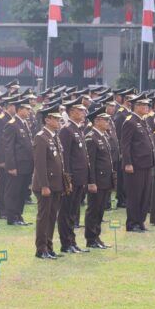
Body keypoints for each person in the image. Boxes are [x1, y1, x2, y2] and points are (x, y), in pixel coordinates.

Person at [32, 104, 65, 260]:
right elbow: (40, 164)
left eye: (59, 118)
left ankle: (49, 246)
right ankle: (41, 248)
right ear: (47, 120)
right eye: (56, 118)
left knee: (52, 217)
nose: (59, 120)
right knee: (44, 217)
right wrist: (44, 185)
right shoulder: (41, 137)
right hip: (45, 185)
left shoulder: (54, 136)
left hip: (56, 184)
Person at [120, 94, 155, 231]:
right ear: (136, 106)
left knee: (144, 195)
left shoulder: (142, 120)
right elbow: (125, 144)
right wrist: (128, 163)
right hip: (135, 165)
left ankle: (140, 222)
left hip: (146, 164)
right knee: (135, 195)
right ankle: (133, 223)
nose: (146, 107)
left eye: (147, 105)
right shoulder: (130, 121)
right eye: (143, 105)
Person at [58, 100, 90, 253]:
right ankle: (66, 243)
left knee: (74, 212)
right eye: (80, 111)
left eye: (84, 111)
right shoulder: (67, 130)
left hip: (80, 178)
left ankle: (72, 241)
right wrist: (67, 179)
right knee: (66, 212)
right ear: (71, 112)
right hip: (72, 179)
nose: (83, 113)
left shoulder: (78, 129)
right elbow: (65, 158)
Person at [1, 99, 34, 226]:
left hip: (26, 166)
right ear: (19, 110)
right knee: (13, 192)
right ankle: (12, 217)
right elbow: (8, 148)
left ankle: (18, 216)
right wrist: (11, 166)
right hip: (17, 166)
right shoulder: (12, 124)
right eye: (27, 109)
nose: (29, 111)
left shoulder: (24, 123)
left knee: (22, 192)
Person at [83, 109, 114, 245]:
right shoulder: (91, 137)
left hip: (105, 179)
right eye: (105, 120)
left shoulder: (102, 135)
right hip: (97, 180)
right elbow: (91, 163)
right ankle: (91, 238)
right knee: (93, 210)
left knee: (100, 210)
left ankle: (97, 236)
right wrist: (91, 182)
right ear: (96, 121)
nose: (108, 122)